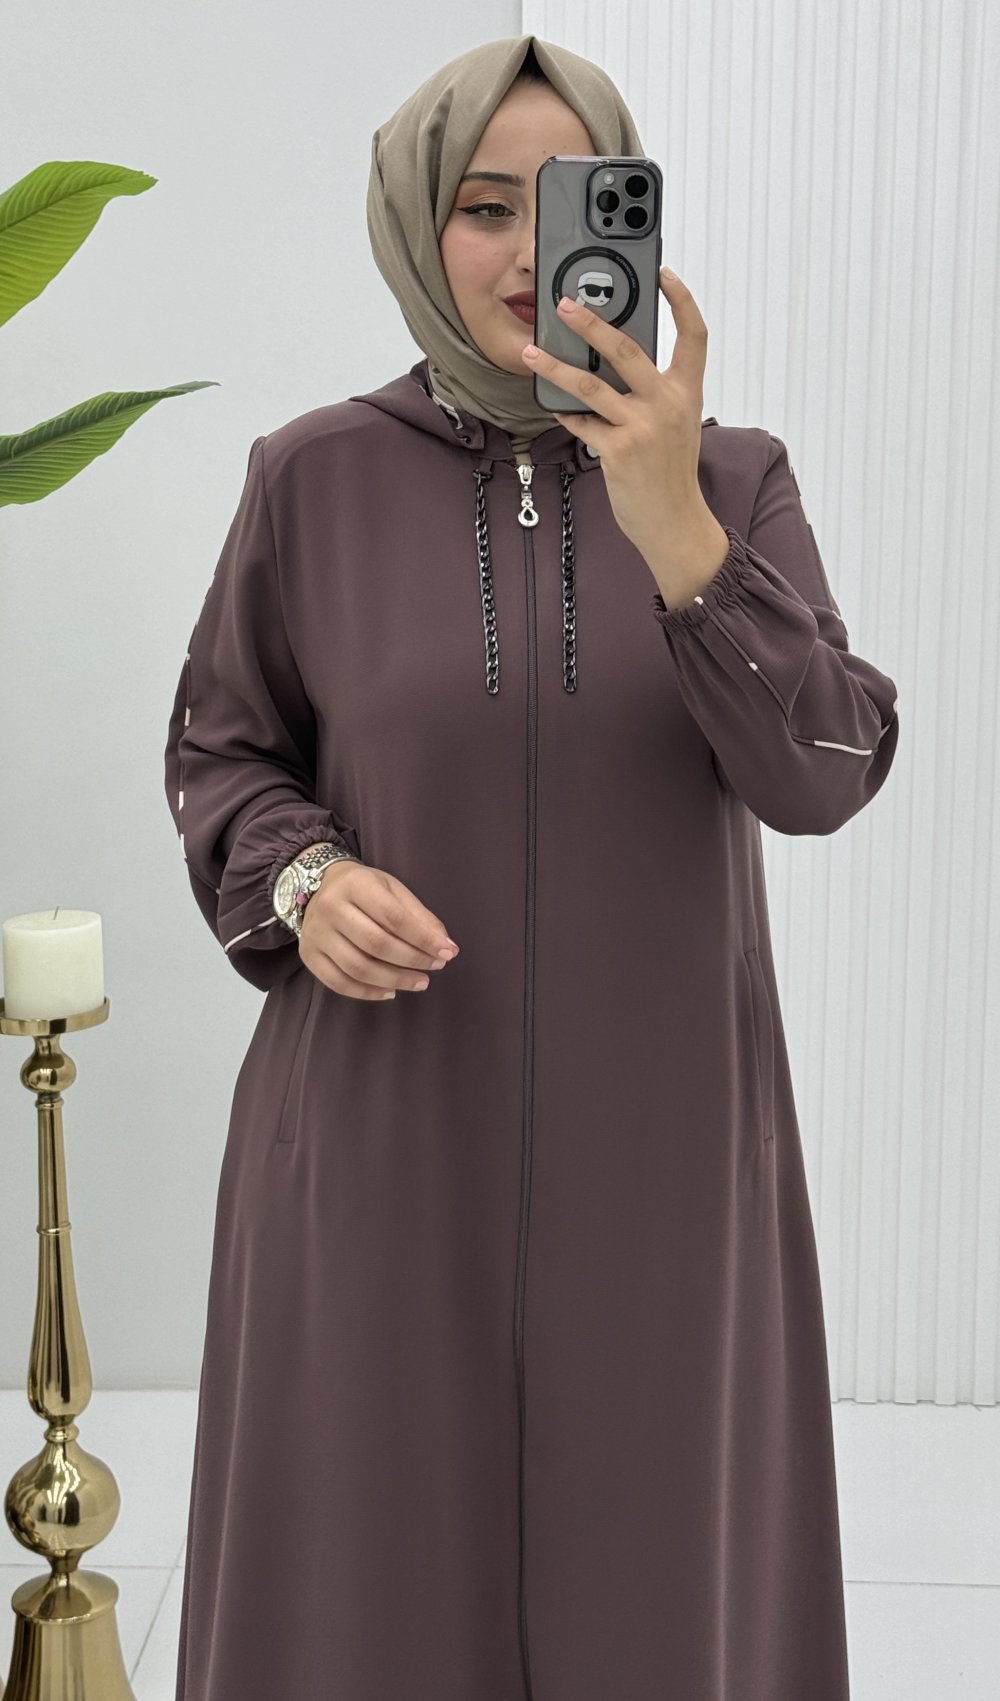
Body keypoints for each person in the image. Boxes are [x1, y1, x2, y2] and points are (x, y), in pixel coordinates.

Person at [164, 33, 899, 1701]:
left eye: (569, 203)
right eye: (484, 206)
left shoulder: (734, 480)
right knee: (369, 1565)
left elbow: (829, 770)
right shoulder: (311, 477)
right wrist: (302, 879)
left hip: (667, 1153)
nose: (523, 252)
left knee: (658, 1569)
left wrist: (677, 527)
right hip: (382, 1132)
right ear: (420, 225)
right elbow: (224, 748)